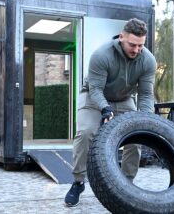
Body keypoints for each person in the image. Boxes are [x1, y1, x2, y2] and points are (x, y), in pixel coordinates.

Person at [64, 18, 156, 207]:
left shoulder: (148, 60)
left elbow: (146, 95)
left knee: (137, 135)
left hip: (123, 100)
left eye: (141, 45)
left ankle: (127, 183)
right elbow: (95, 89)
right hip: (93, 98)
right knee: (86, 132)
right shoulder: (102, 55)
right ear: (121, 37)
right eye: (132, 44)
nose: (137, 50)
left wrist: (145, 118)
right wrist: (105, 109)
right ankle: (78, 181)